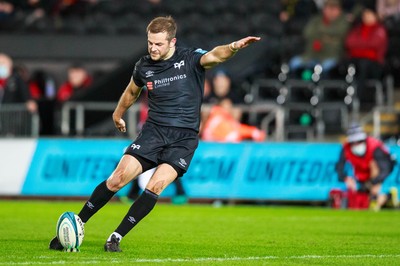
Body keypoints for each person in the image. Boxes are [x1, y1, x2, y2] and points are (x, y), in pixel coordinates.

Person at [49, 15, 260, 252]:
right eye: (150, 42)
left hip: (184, 139)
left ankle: (116, 237)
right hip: (154, 132)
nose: (153, 48)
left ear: (172, 42)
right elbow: (131, 92)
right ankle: (78, 223)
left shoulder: (189, 59)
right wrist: (117, 114)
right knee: (118, 178)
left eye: (158, 43)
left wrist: (233, 47)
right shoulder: (144, 66)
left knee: (155, 186)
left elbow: (215, 55)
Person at [335, 123, 397, 210]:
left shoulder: (375, 147)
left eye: (359, 141)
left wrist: (372, 183)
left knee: (373, 167)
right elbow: (339, 167)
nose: (357, 144)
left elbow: (385, 169)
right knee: (360, 199)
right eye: (354, 142)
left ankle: (380, 196)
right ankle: (386, 198)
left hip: (380, 173)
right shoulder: (346, 148)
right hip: (361, 175)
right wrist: (346, 178)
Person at [288, 0, 350, 78]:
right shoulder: (317, 19)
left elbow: (340, 32)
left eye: (333, 8)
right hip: (311, 55)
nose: (330, 11)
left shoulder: (343, 21)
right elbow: (307, 33)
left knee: (327, 67)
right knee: (294, 63)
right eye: (328, 8)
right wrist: (327, 36)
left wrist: (320, 33)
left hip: (332, 57)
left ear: (339, 10)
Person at [344, 4, 388, 101]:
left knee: (364, 65)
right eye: (364, 15)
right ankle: (341, 96)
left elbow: (375, 44)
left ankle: (360, 99)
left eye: (369, 14)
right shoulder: (357, 28)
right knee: (344, 65)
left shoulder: (380, 29)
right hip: (356, 60)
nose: (366, 17)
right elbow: (349, 42)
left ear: (375, 16)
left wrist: (359, 44)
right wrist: (364, 44)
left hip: (374, 64)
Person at [0, 53, 38, 135]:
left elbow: (24, 91)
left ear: (9, 65)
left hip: (12, 118)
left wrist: (29, 101)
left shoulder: (16, 79)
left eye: (2, 64)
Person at [201, 98, 266, 142]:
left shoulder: (226, 119)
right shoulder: (217, 118)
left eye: (229, 107)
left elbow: (237, 128)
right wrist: (254, 132)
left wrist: (254, 132)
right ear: (220, 107)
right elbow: (233, 133)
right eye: (225, 106)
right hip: (213, 149)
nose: (228, 109)